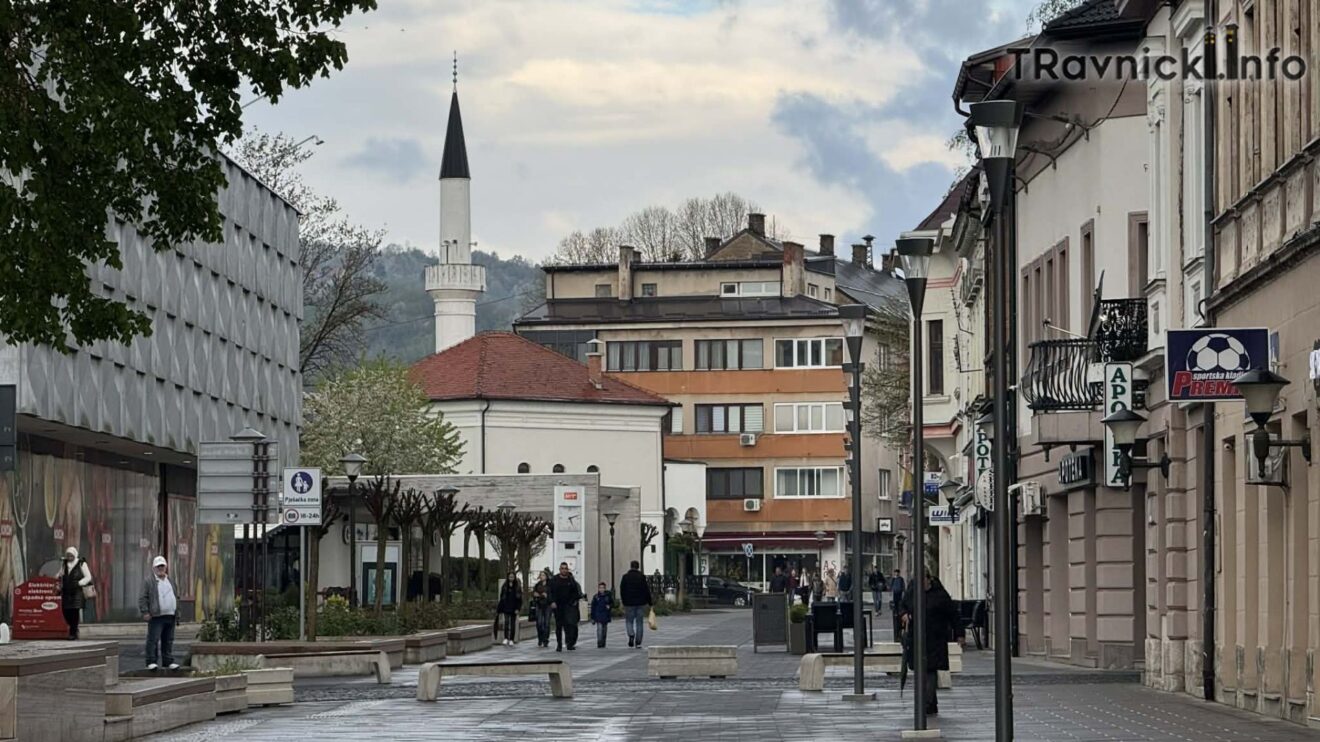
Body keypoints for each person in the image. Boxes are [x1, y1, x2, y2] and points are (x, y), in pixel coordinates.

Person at [900, 574, 959, 716]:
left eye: (924, 581)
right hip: (916, 637)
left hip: (935, 638)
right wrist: (904, 614)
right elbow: (902, 606)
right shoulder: (912, 593)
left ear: (929, 580)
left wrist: (959, 633)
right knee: (921, 671)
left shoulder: (939, 595)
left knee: (930, 670)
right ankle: (931, 703)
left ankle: (926, 703)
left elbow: (952, 613)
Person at [138, 556, 180, 670]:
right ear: (154, 568)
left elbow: (176, 596)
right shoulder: (148, 581)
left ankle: (168, 661)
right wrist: (145, 611)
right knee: (153, 639)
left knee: (168, 640)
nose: (160, 568)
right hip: (156, 616)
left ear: (166, 567)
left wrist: (177, 612)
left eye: (162, 566)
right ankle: (151, 661)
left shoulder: (170, 581)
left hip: (170, 615)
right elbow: (143, 597)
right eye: (158, 566)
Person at [547, 562, 584, 652]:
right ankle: (559, 644)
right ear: (560, 570)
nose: (564, 570)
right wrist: (552, 602)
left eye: (565, 568)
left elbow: (576, 593)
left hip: (568, 606)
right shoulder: (554, 580)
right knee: (559, 626)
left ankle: (569, 643)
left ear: (567, 570)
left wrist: (574, 602)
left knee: (569, 625)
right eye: (562, 568)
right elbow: (550, 592)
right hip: (558, 606)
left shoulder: (571, 580)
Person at [59, 546, 93, 640]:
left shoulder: (81, 563)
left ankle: (72, 633)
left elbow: (88, 577)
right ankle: (74, 628)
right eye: (68, 555)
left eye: (71, 555)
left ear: (75, 555)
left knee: (74, 612)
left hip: (77, 592)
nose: (69, 557)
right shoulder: (64, 563)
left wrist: (79, 583)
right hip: (66, 592)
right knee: (65, 611)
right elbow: (60, 574)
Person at [619, 560, 652, 648]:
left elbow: (622, 590)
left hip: (629, 603)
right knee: (639, 622)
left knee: (629, 621)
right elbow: (646, 590)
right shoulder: (641, 577)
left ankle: (631, 634)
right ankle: (638, 641)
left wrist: (623, 601)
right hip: (640, 603)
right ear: (638, 567)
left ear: (631, 566)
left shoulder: (625, 577)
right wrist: (650, 602)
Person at [496, 572, 522, 646]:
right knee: (506, 622)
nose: (511, 578)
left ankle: (511, 639)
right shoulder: (505, 586)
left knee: (513, 624)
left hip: (514, 607)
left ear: (514, 578)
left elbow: (519, 599)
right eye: (510, 577)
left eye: (512, 577)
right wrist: (500, 608)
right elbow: (502, 597)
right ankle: (506, 638)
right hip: (506, 607)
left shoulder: (517, 587)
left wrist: (518, 608)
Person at [589, 582, 613, 648]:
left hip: (605, 615)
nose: (601, 589)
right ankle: (599, 642)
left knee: (604, 630)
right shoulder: (596, 597)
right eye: (600, 588)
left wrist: (609, 606)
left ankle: (603, 642)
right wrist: (592, 617)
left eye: (603, 588)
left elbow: (612, 603)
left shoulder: (608, 596)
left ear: (605, 588)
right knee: (599, 629)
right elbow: (593, 607)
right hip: (598, 615)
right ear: (598, 589)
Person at [530, 573, 552, 647]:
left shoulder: (550, 585)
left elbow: (552, 594)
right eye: (541, 575)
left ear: (546, 576)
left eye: (543, 575)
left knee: (546, 623)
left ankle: (545, 639)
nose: (542, 577)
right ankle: (540, 638)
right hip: (539, 605)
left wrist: (547, 596)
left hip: (548, 605)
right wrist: (536, 595)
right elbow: (534, 594)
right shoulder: (537, 585)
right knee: (539, 623)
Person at [890, 569, 907, 636]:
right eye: (895, 572)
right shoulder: (893, 579)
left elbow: (903, 585)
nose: (896, 574)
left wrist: (903, 590)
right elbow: (891, 585)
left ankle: (898, 611)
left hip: (899, 592)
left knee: (899, 602)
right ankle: (896, 611)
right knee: (895, 602)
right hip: (895, 592)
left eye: (897, 572)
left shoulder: (901, 579)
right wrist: (891, 590)